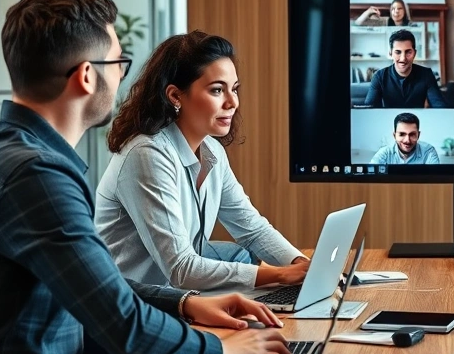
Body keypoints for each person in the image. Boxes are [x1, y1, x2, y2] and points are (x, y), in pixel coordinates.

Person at [0, 0, 292, 354]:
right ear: (87, 76)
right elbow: (121, 323)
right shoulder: (35, 175)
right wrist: (223, 350)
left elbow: (98, 284)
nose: (122, 77)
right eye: (118, 63)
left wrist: (184, 305)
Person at [96, 31, 310, 292]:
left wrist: (302, 265)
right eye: (217, 90)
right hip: (135, 308)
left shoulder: (211, 150)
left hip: (182, 298)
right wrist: (279, 274)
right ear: (175, 96)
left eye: (234, 89)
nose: (232, 102)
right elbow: (182, 269)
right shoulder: (146, 154)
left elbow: (251, 228)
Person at [363, 29, 446, 108]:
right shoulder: (379, 77)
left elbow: (440, 107)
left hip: (417, 121)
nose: (403, 59)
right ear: (390, 53)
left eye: (408, 52)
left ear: (414, 53)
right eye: (398, 52)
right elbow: (369, 110)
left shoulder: (426, 74)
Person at [370, 112, 440, 164]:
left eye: (412, 134)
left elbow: (437, 180)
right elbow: (369, 178)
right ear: (394, 135)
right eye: (402, 134)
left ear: (418, 135)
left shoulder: (428, 151)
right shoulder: (384, 153)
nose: (407, 140)